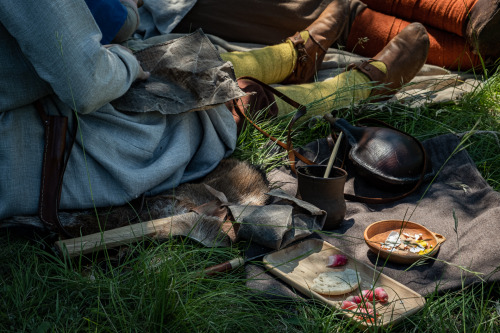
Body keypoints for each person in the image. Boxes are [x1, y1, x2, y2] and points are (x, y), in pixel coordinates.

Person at [0, 0, 428, 236]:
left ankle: (288, 58)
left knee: (172, 54)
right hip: (19, 151)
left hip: (26, 106)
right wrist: (124, 64)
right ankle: (351, 90)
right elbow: (88, 83)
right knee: (177, 106)